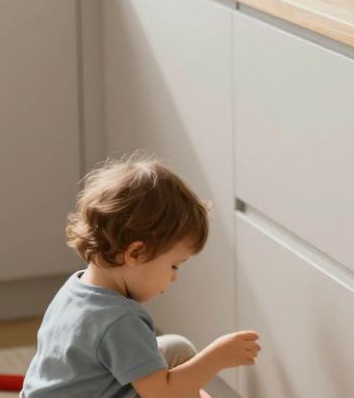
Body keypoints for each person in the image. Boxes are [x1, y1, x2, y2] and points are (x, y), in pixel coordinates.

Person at [22, 155, 260, 398]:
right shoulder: (119, 320)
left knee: (176, 348)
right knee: (171, 382)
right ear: (136, 253)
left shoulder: (76, 289)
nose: (174, 278)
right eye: (174, 266)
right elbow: (162, 394)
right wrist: (217, 357)